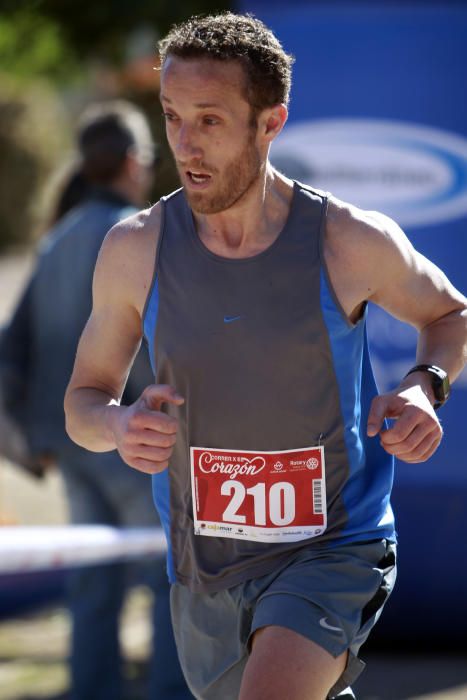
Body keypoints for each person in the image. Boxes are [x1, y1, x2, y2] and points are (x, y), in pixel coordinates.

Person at [63, 13, 467, 700]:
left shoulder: (348, 241)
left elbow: (449, 314)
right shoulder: (135, 249)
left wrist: (424, 386)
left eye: (211, 121)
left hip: (334, 547)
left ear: (270, 122)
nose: (184, 144)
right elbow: (83, 400)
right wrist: (119, 426)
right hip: (206, 568)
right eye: (170, 117)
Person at [0, 100, 192, 700]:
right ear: (135, 162)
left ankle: (92, 690)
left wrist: (30, 445)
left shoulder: (55, 240)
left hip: (72, 439)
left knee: (94, 579)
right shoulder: (139, 235)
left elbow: (13, 347)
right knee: (170, 574)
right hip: (137, 438)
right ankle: (169, 691)